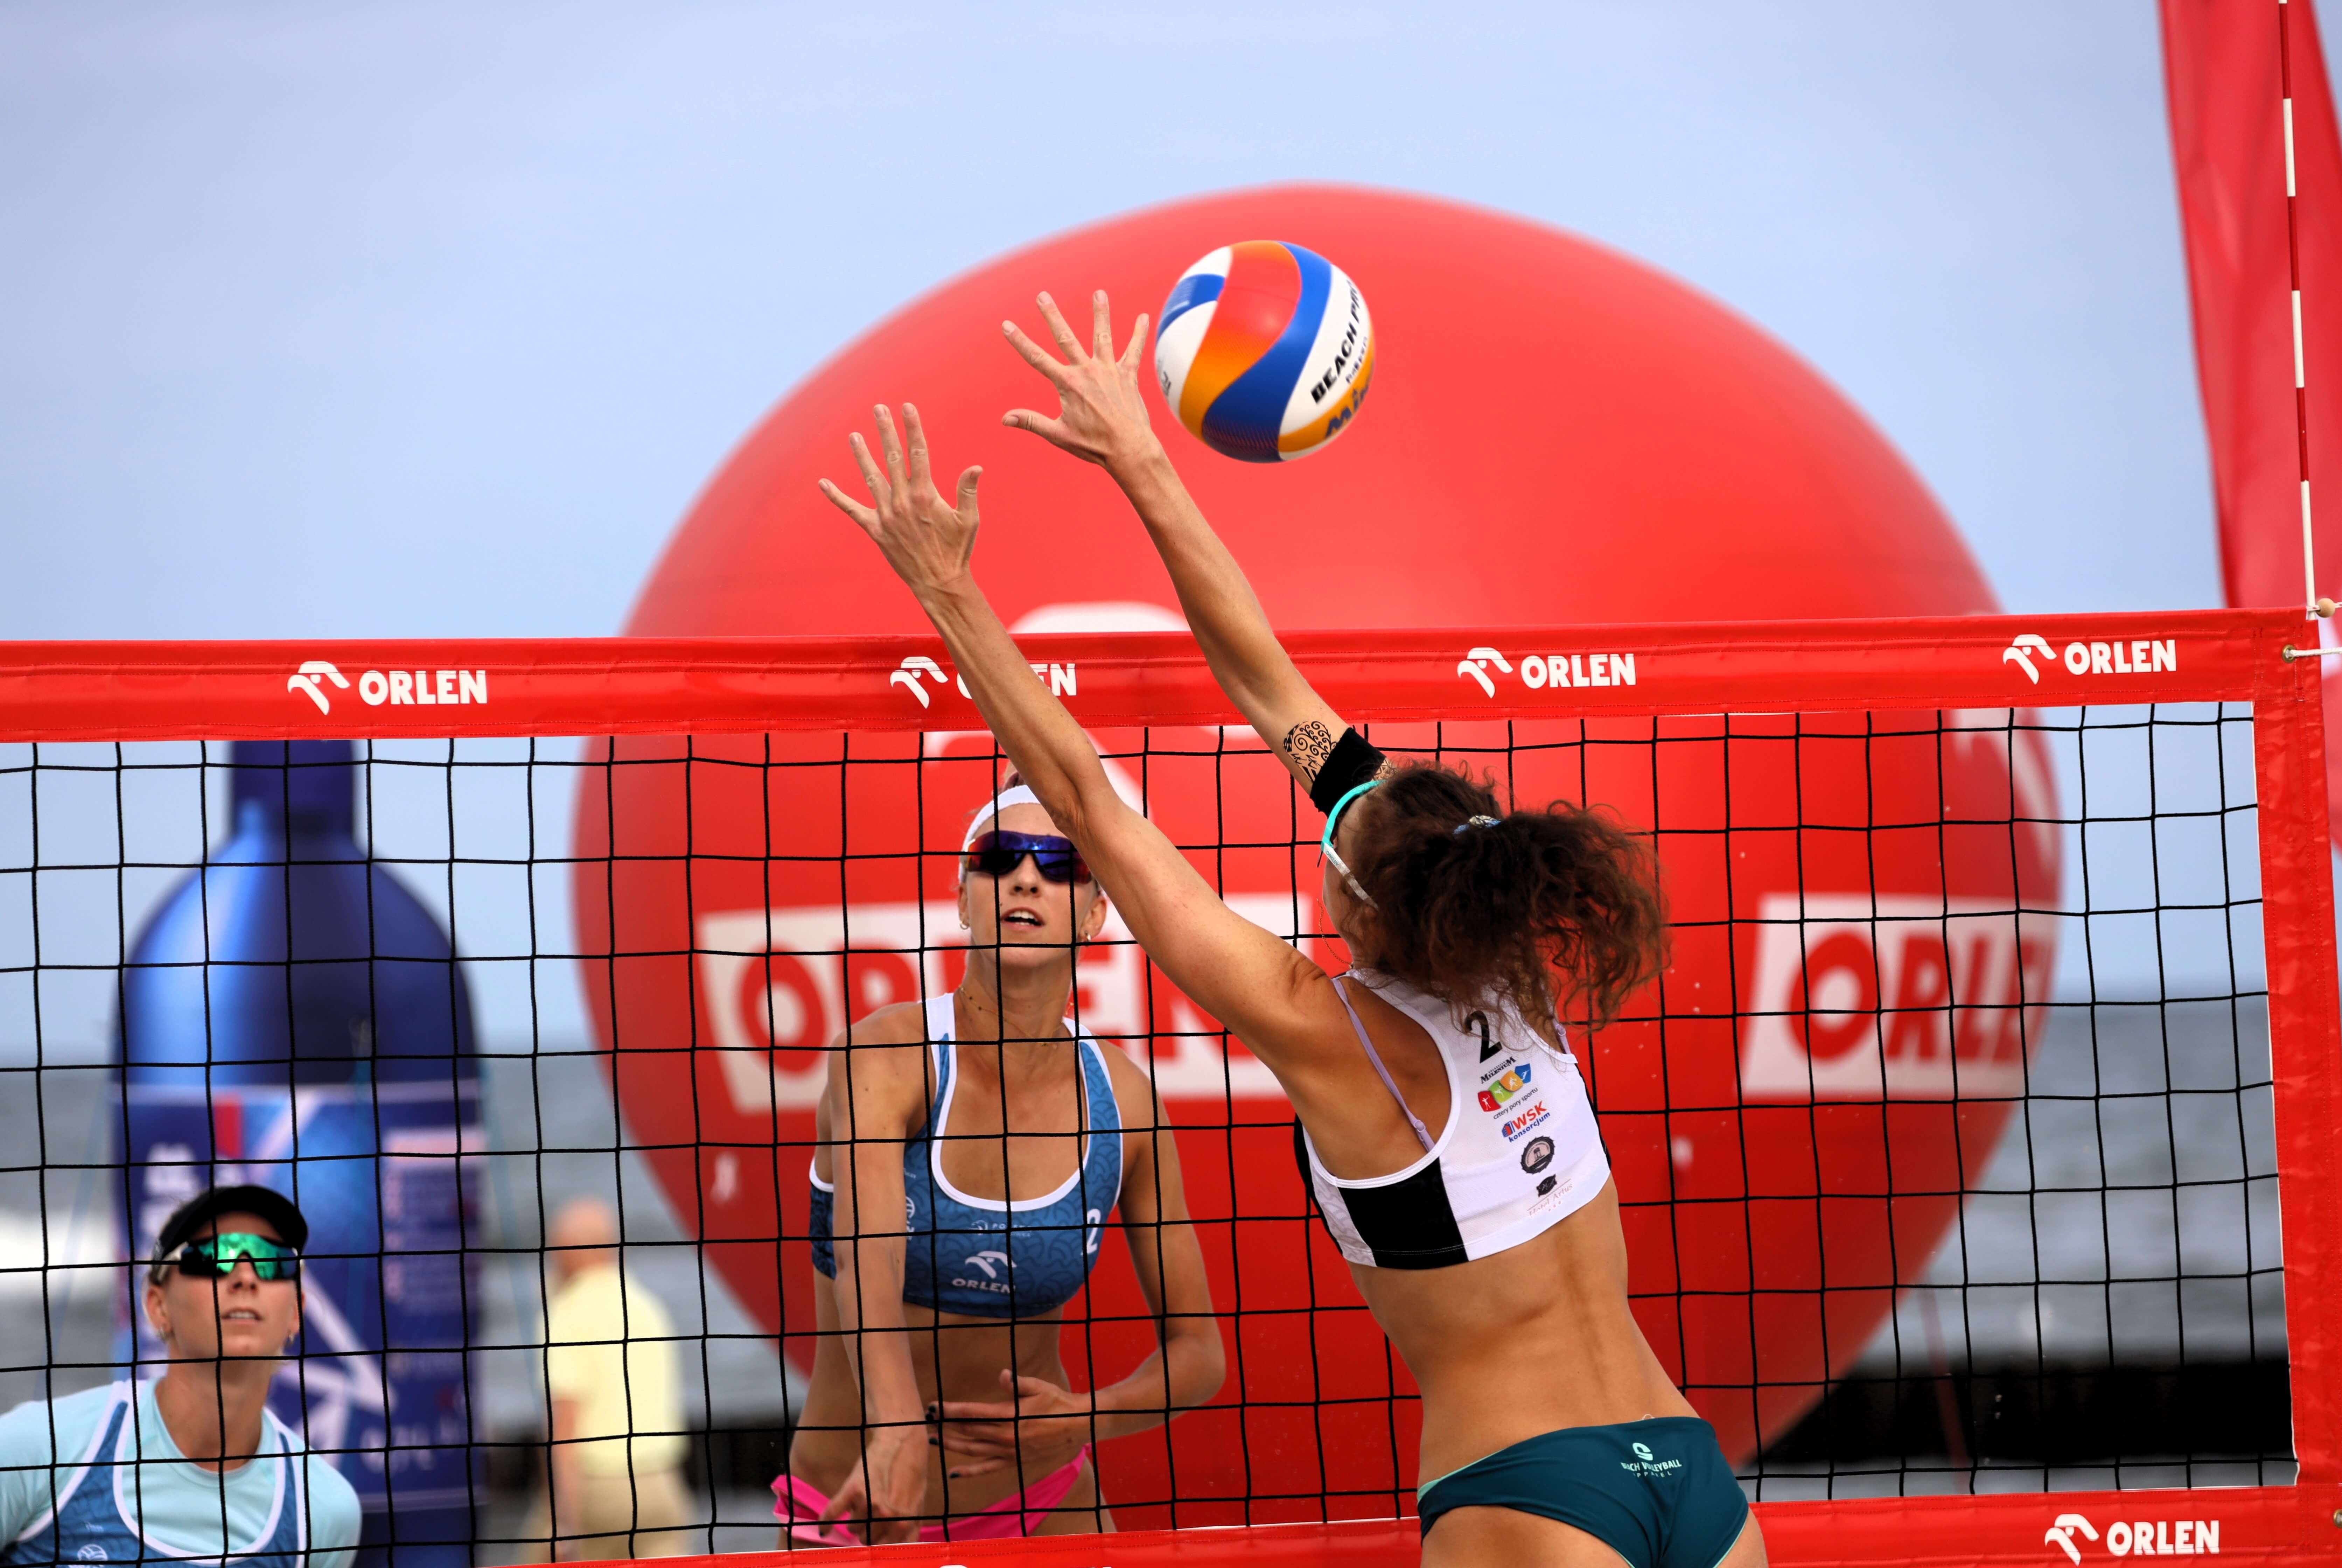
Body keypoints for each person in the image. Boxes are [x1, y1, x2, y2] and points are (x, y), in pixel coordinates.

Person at [812, 290, 1768, 1568]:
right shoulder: (1515, 971)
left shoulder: (1330, 1030)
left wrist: (946, 583)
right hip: (1692, 1473)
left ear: (1361, 897)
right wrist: (1140, 459)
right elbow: (1267, 681)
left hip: (1536, 1491)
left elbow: (1089, 798)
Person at [777, 777, 1226, 1546]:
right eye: (1001, 857)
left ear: (1095, 912)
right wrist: (893, 1427)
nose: (1027, 876)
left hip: (1043, 1500)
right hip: (864, 1501)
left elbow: (1200, 1353)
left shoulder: (1125, 1101)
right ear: (962, 896)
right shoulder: (883, 1056)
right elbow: (868, 1261)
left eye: (1061, 863)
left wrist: (1086, 1416)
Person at [0, 1184, 362, 1568]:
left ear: (295, 1311)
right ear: (158, 1307)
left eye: (273, 1260)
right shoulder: (37, 1449)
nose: (246, 1278)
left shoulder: (322, 1512)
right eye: (213, 1256)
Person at [533, 1197, 694, 1561]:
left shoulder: (567, 1312)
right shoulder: (647, 1305)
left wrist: (562, 1521)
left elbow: (564, 1426)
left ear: (564, 1252)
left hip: (602, 1491)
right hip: (664, 1487)